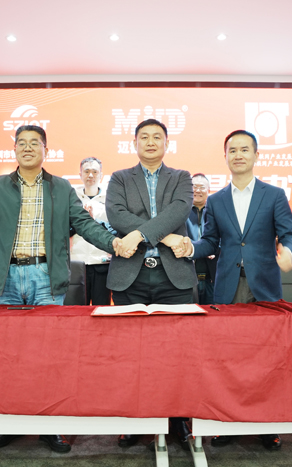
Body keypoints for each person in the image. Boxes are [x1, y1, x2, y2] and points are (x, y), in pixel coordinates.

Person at [0, 125, 126, 454]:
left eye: (34, 143)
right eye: (21, 143)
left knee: (49, 355)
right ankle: (7, 424)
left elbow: (84, 224)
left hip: (45, 278)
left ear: (46, 150)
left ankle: (50, 425)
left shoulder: (61, 187)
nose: (27, 148)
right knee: (4, 355)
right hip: (5, 279)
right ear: (14, 150)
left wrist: (114, 243)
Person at [181, 130, 292, 449]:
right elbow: (210, 241)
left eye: (245, 149)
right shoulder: (216, 200)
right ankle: (228, 423)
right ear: (226, 157)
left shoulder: (274, 195)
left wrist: (289, 252)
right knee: (229, 358)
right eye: (232, 150)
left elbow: (288, 235)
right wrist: (190, 248)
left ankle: (267, 424)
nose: (238, 155)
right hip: (228, 287)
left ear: (256, 155)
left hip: (264, 285)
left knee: (267, 357)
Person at [105, 119, 196, 450]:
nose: (151, 141)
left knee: (177, 354)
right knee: (131, 354)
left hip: (174, 279)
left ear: (167, 143)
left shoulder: (182, 177)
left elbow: (179, 211)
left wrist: (142, 233)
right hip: (131, 276)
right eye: (144, 137)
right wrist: (165, 237)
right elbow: (116, 215)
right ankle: (136, 419)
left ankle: (179, 419)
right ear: (134, 143)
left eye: (157, 136)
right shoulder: (119, 178)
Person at [70, 157, 113, 305]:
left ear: (101, 175)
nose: (90, 175)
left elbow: (114, 230)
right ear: (80, 174)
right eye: (86, 171)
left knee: (101, 308)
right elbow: (64, 228)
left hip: (102, 262)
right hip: (76, 262)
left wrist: (94, 221)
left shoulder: (110, 199)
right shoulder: (72, 198)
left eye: (95, 172)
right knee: (75, 310)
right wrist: (81, 222)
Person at [185, 173, 217, 304]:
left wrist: (213, 247)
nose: (198, 190)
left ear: (208, 190)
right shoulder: (180, 212)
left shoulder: (216, 211)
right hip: (187, 277)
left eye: (202, 187)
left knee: (214, 313)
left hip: (212, 278)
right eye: (194, 186)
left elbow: (225, 235)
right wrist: (202, 249)